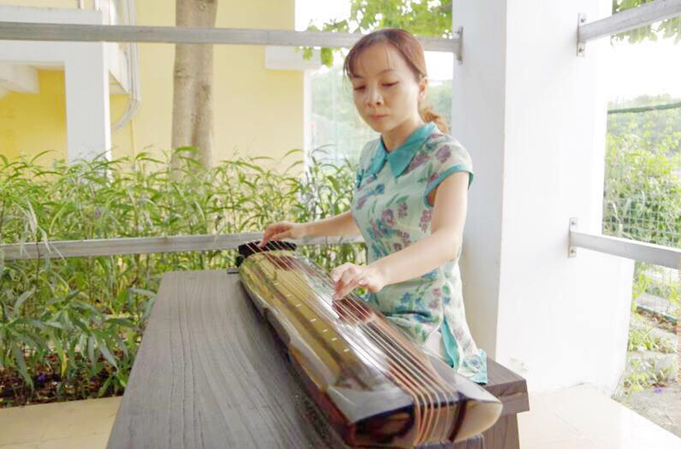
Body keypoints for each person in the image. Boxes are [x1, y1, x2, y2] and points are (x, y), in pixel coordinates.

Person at [259, 28, 487, 384]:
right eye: (360, 87)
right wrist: (302, 230)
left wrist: (377, 272)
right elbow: (368, 215)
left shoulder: (446, 155)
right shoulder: (371, 154)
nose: (373, 99)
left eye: (389, 84)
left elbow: (447, 240)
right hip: (376, 312)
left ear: (421, 87)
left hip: (427, 325)